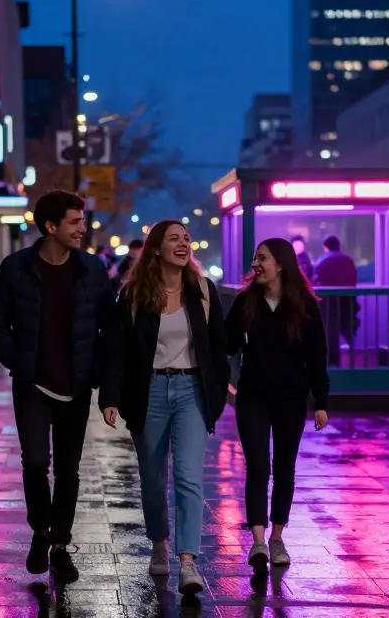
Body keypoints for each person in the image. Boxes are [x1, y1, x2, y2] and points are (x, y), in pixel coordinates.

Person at [0, 190, 115, 583]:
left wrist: (96, 373)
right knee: (35, 463)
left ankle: (60, 545)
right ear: (51, 226)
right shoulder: (16, 268)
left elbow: (108, 328)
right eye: (75, 222)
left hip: (75, 386)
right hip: (32, 383)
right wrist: (17, 360)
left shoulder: (92, 270)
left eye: (82, 221)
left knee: (68, 469)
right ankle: (40, 532)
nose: (83, 228)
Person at [100, 220, 229, 596]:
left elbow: (218, 350)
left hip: (192, 390)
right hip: (150, 391)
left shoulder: (203, 291)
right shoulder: (135, 294)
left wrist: (216, 396)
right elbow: (117, 351)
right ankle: (160, 543)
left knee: (189, 478)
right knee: (154, 482)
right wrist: (110, 397)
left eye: (186, 238)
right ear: (156, 249)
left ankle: (188, 561)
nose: (183, 243)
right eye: (174, 238)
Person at [226, 238, 329, 572]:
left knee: (285, 469)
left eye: (263, 258)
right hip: (253, 396)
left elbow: (317, 358)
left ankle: (277, 537)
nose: (255, 264)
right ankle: (257, 541)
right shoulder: (246, 301)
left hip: (290, 399)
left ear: (281, 264)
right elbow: (225, 344)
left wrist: (321, 403)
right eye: (255, 258)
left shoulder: (304, 305)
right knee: (258, 468)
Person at [311, 235, 359, 367]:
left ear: (326, 247)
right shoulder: (348, 260)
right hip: (348, 300)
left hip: (329, 302)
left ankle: (333, 362)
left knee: (330, 332)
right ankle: (354, 363)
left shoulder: (323, 260)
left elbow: (316, 281)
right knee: (348, 329)